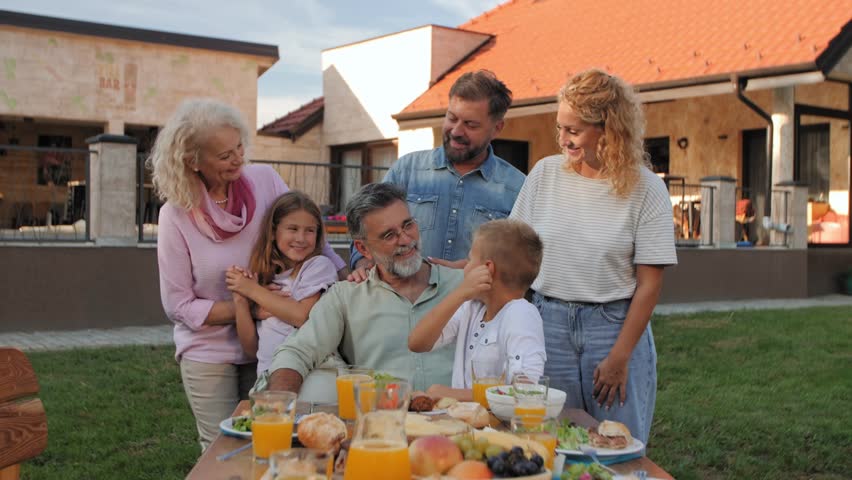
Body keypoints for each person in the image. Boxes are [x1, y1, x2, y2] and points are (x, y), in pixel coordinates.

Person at [151, 99, 346, 451]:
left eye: (239, 147)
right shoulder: (175, 215)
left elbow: (312, 237)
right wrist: (254, 304)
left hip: (270, 345)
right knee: (222, 448)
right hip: (209, 351)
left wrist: (351, 274)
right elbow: (178, 304)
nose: (238, 159)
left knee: (272, 441)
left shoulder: (265, 180)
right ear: (193, 161)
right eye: (224, 155)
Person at [509, 70, 677, 444]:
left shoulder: (647, 188)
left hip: (614, 328)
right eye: (560, 128)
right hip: (547, 323)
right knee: (551, 442)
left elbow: (650, 285)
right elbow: (513, 249)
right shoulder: (544, 174)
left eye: (574, 130)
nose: (562, 140)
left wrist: (620, 358)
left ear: (609, 128)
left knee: (619, 445)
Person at [266, 183, 463, 393]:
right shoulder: (346, 297)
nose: (406, 240)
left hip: (464, 421)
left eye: (408, 225)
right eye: (389, 235)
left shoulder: (464, 286)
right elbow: (297, 353)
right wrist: (278, 405)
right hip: (380, 421)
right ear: (363, 249)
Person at [348, 70, 526, 280]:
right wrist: (362, 263)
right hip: (405, 305)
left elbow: (523, 261)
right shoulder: (406, 170)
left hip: (476, 308)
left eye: (470, 125)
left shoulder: (518, 188)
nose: (457, 131)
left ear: (497, 129)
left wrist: (478, 270)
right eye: (452, 118)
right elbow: (366, 227)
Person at [408, 219, 546, 400]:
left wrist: (451, 395)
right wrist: (459, 294)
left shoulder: (521, 314)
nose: (465, 266)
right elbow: (417, 343)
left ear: (487, 269)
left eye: (470, 259)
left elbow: (526, 391)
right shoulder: (472, 308)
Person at [224, 191, 338, 382]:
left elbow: (301, 316)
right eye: (292, 229)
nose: (301, 238)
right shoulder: (267, 279)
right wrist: (241, 301)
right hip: (267, 379)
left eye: (310, 230)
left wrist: (252, 290)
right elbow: (252, 349)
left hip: (308, 378)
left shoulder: (318, 266)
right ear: (273, 232)